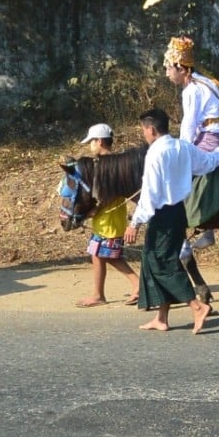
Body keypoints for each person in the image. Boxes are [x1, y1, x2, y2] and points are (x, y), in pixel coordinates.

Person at [123, 108, 219, 333]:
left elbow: (150, 193)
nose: (143, 134)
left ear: (151, 129)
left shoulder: (155, 153)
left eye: (143, 130)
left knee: (161, 262)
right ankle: (161, 317)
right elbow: (207, 163)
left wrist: (135, 223)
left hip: (162, 215)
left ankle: (197, 306)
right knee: (155, 259)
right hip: (179, 211)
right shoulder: (183, 146)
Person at [162, 35, 219, 251]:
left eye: (169, 68)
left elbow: (188, 125)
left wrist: (182, 152)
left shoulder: (191, 90)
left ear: (182, 69)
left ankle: (202, 227)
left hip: (212, 138)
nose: (166, 73)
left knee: (181, 172)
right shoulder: (208, 80)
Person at [74, 123, 140, 308]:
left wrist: (94, 209)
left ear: (100, 141)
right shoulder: (111, 163)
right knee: (97, 254)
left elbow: (106, 194)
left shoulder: (109, 165)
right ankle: (98, 294)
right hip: (108, 217)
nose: (90, 146)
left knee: (110, 255)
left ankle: (137, 284)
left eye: (92, 142)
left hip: (109, 218)